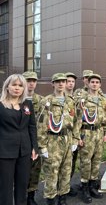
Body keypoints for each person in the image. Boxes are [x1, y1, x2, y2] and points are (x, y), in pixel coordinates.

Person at [37, 73, 78, 205]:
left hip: (68, 139)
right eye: (58, 81)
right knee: (52, 171)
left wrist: (76, 139)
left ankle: (62, 197)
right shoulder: (46, 101)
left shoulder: (70, 101)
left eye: (63, 81)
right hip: (52, 140)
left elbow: (76, 121)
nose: (61, 84)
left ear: (66, 83)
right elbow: (41, 125)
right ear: (52, 84)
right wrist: (42, 146)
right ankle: (51, 199)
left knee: (66, 170)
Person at [0, 74, 38, 205]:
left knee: (22, 185)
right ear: (7, 87)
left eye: (20, 85)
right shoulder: (1, 105)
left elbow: (32, 126)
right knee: (5, 186)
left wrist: (34, 147)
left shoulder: (27, 104)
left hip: (24, 151)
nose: (17, 88)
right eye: (14, 85)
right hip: (5, 151)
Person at [76, 74, 106, 203]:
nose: (95, 84)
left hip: (99, 133)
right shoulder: (83, 100)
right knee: (86, 161)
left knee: (97, 161)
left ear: (100, 85)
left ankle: (92, 186)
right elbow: (77, 119)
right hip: (86, 133)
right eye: (92, 82)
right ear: (88, 84)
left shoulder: (103, 100)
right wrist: (77, 136)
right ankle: (84, 188)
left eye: (97, 82)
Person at [22, 71, 43, 205]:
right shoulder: (17, 100)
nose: (31, 83)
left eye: (34, 81)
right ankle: (20, 195)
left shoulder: (41, 100)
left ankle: (31, 196)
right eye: (28, 80)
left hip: (38, 140)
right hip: (22, 140)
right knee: (21, 169)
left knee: (35, 169)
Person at [65, 72, 79, 197]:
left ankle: (67, 185)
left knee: (72, 162)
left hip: (74, 136)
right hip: (63, 137)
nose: (70, 83)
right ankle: (60, 188)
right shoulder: (59, 98)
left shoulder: (76, 99)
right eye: (68, 81)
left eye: (72, 81)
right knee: (62, 163)